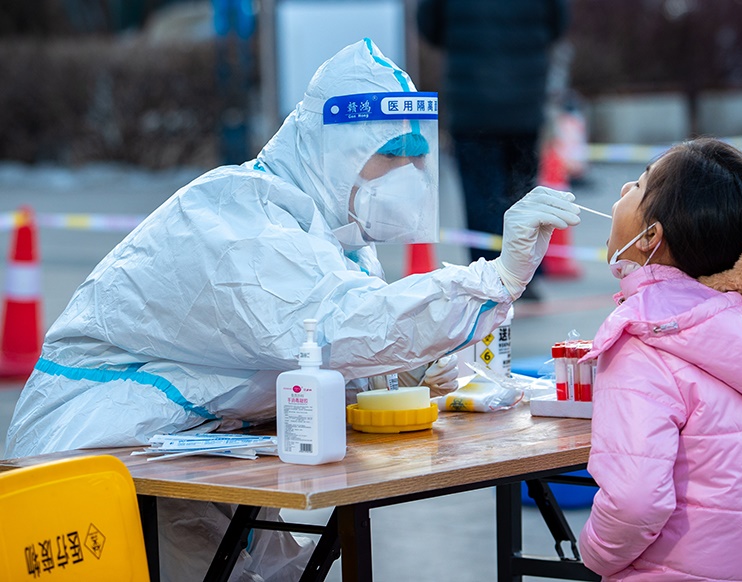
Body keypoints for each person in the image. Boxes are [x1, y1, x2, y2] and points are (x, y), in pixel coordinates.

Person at [4, 39, 580, 581]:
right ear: (335, 153)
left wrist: (398, 373)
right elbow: (330, 327)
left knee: (282, 571)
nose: (406, 175)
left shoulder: (333, 234)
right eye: (388, 156)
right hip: (90, 460)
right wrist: (494, 279)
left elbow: (322, 358)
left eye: (415, 157)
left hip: (197, 454)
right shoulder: (233, 219)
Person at [578, 138, 742, 580]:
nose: (624, 188)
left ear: (650, 238)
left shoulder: (645, 339)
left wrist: (594, 556)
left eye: (639, 186)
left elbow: (635, 500)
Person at [417, 0, 570, 300]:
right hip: (525, 99)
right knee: (521, 191)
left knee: (480, 196)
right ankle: (525, 275)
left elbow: (429, 26)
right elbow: (558, 23)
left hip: (472, 102)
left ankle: (487, 278)